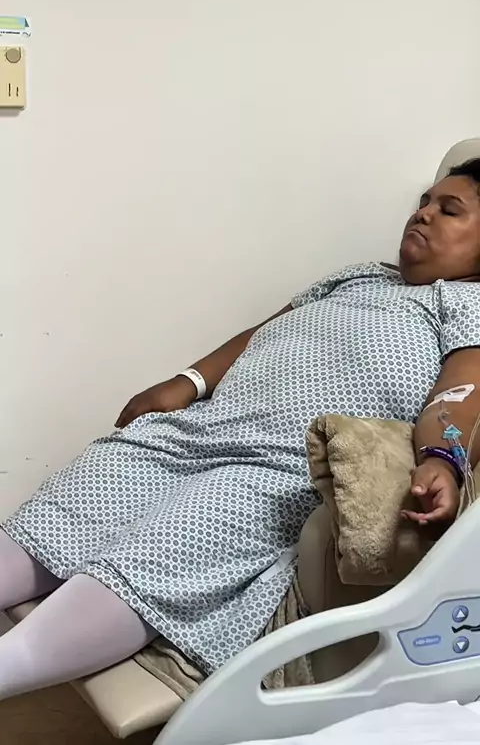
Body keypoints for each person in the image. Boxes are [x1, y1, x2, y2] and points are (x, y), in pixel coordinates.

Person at [1, 160, 480, 701]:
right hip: (201, 428)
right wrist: (187, 383)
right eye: (424, 202)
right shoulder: (360, 276)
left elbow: (460, 398)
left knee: (163, 545)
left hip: (275, 471)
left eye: (449, 210)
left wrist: (442, 457)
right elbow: (261, 331)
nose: (423, 214)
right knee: (75, 498)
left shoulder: (468, 306)